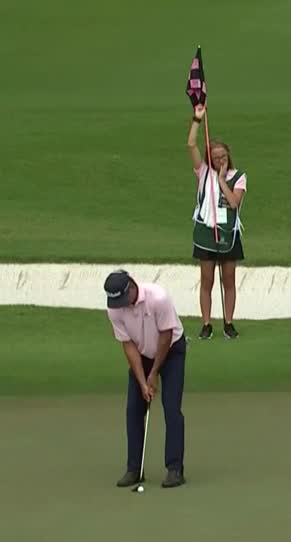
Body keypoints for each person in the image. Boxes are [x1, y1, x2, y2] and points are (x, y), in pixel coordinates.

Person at [105, 270, 188, 488]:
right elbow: (128, 346)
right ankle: (134, 469)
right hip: (141, 352)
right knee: (133, 409)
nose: (121, 305)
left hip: (171, 350)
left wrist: (153, 374)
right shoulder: (114, 310)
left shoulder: (158, 298)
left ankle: (175, 469)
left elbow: (166, 336)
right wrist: (143, 382)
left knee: (171, 407)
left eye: (123, 299)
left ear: (132, 286)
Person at [187, 104, 247, 340]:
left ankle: (228, 323)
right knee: (207, 280)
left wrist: (222, 180)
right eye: (216, 157)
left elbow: (233, 202)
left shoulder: (238, 176)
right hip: (206, 232)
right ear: (209, 158)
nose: (220, 160)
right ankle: (206, 324)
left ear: (228, 155)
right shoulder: (203, 172)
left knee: (228, 281)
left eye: (223, 156)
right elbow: (191, 144)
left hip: (228, 234)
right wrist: (197, 119)